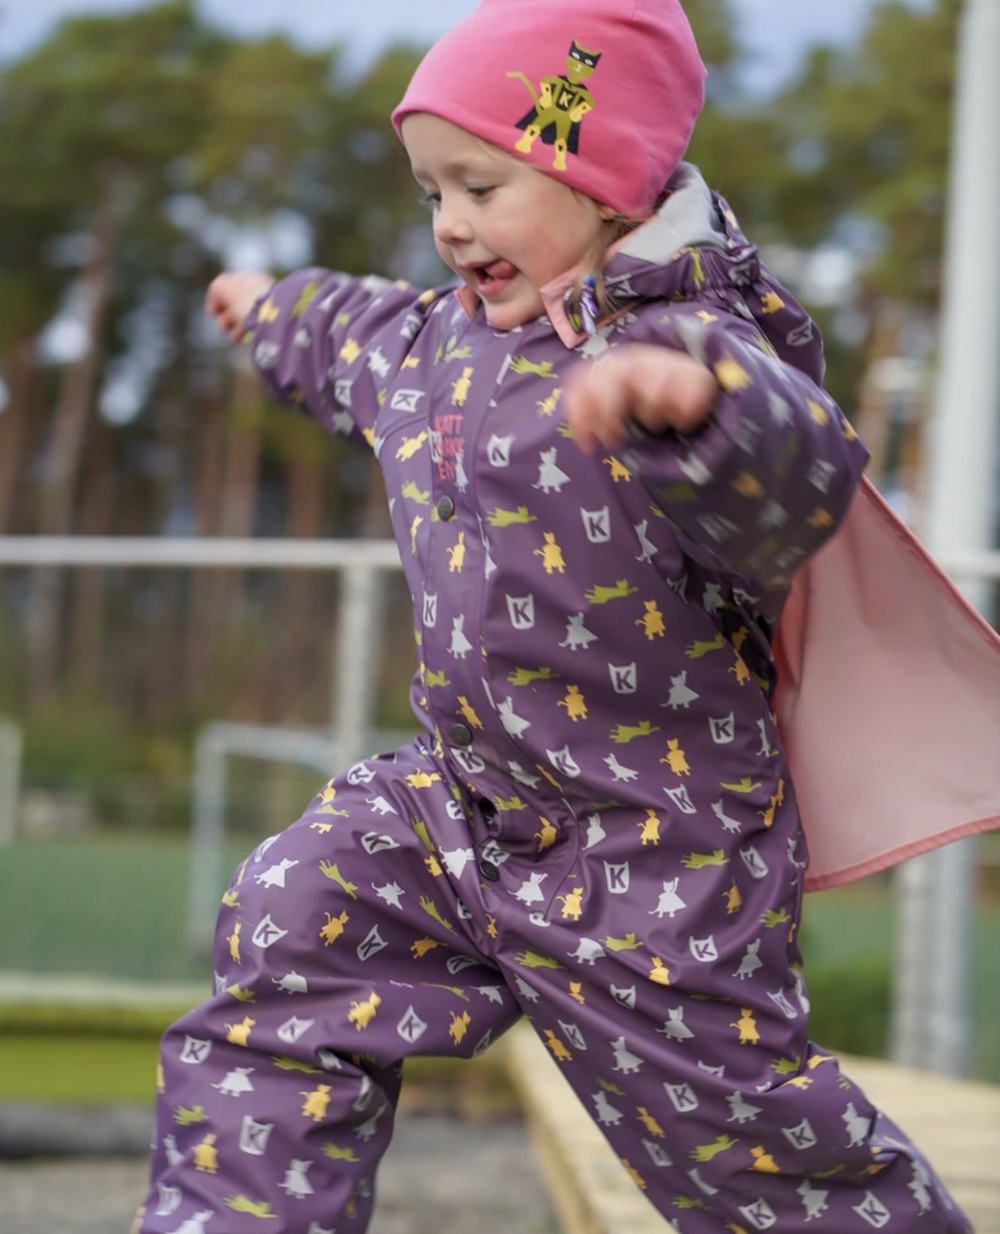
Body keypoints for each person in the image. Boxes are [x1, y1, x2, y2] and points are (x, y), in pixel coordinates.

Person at [135, 2, 989, 1231]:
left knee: (740, 1145)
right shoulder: (438, 344)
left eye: (480, 185)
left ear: (607, 184)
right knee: (295, 911)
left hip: (652, 848)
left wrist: (696, 408)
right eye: (431, 190)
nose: (449, 223)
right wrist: (273, 308)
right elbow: (348, 332)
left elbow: (800, 470)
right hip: (460, 802)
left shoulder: (702, 338)